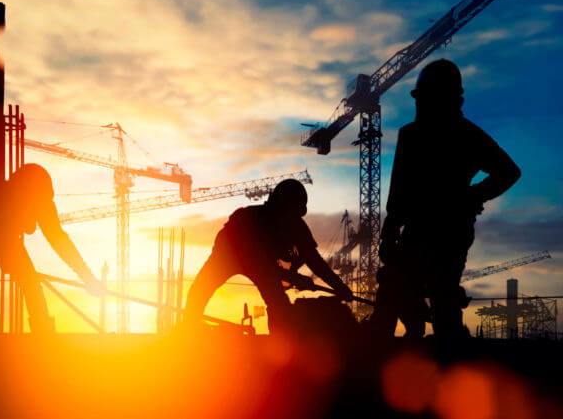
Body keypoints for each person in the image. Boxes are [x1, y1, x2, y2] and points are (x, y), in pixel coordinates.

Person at [370, 59, 521, 339]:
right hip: (424, 231)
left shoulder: (463, 135)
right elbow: (400, 191)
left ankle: (446, 360)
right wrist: (390, 232)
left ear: (444, 99)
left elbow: (509, 172)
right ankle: (379, 359)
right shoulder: (415, 134)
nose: (421, 106)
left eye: (425, 99)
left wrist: (472, 195)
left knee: (441, 298)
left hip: (449, 233)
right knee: (396, 292)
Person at [0, 164, 103, 334]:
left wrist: (87, 277)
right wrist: (87, 277)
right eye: (33, 212)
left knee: (30, 284)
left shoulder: (33, 203)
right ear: (24, 198)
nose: (33, 224)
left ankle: (43, 339)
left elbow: (59, 241)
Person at [183, 179, 353, 333]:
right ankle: (185, 332)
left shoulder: (296, 226)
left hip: (260, 264)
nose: (289, 218)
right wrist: (293, 277)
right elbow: (257, 263)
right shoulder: (249, 220)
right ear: (279, 206)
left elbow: (315, 261)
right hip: (228, 255)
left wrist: (339, 287)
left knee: (279, 306)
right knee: (200, 291)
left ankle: (280, 344)